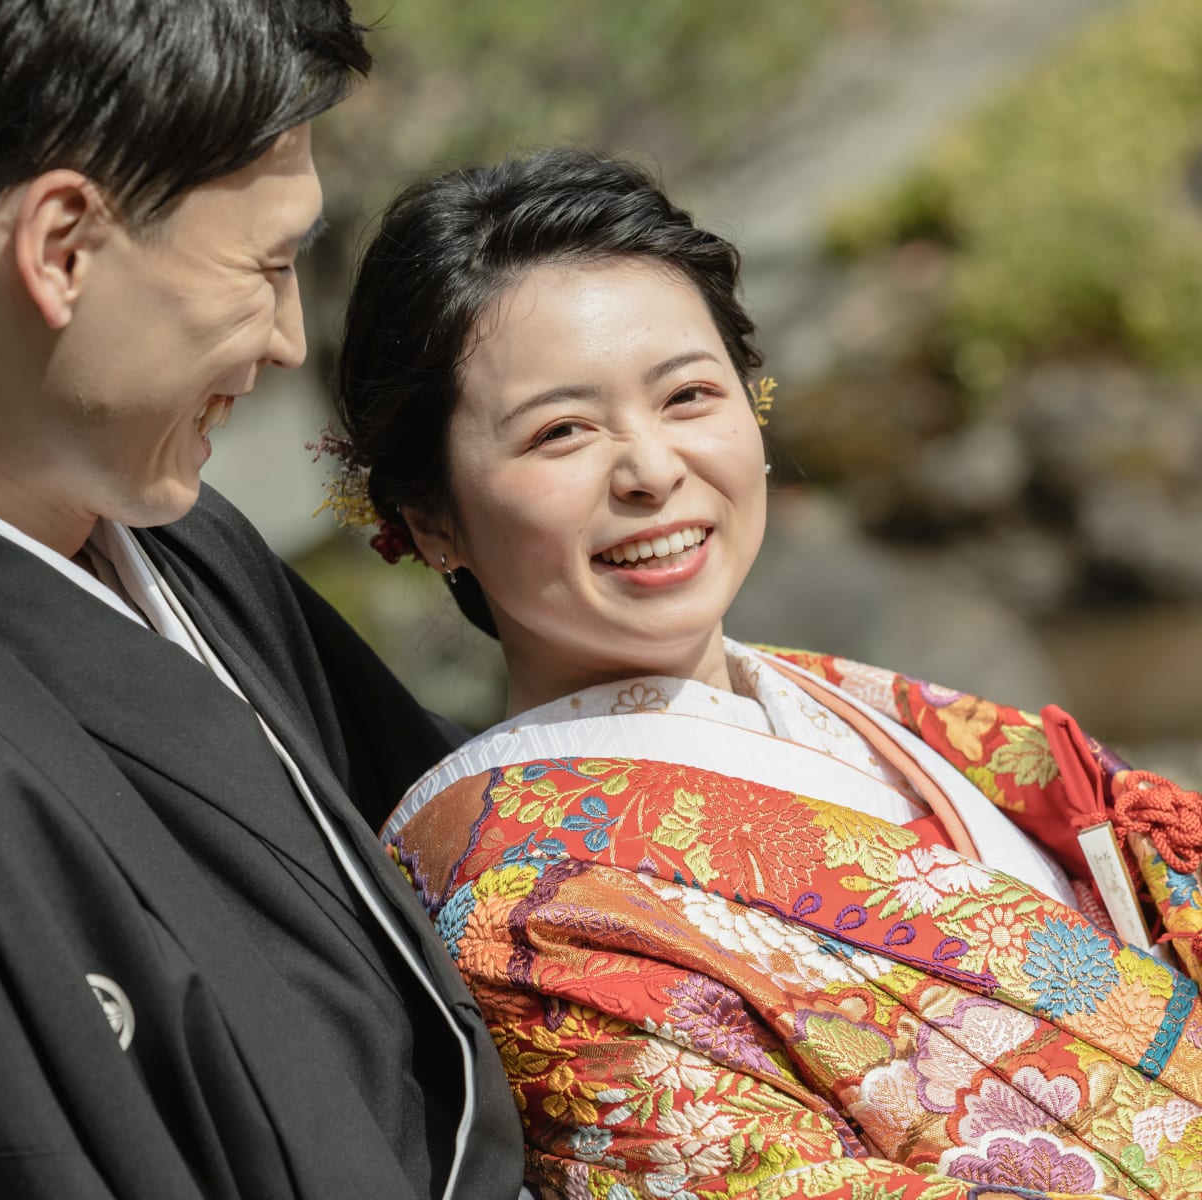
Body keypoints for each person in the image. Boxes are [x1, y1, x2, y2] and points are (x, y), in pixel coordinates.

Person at [0, 3, 524, 1197]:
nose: (291, 339)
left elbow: (480, 846)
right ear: (62, 247)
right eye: (268, 266)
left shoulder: (170, 538)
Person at [331, 148, 1202, 1200]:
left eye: (688, 395)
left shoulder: (856, 711)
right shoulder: (523, 921)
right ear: (430, 520)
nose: (653, 470)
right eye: (561, 432)